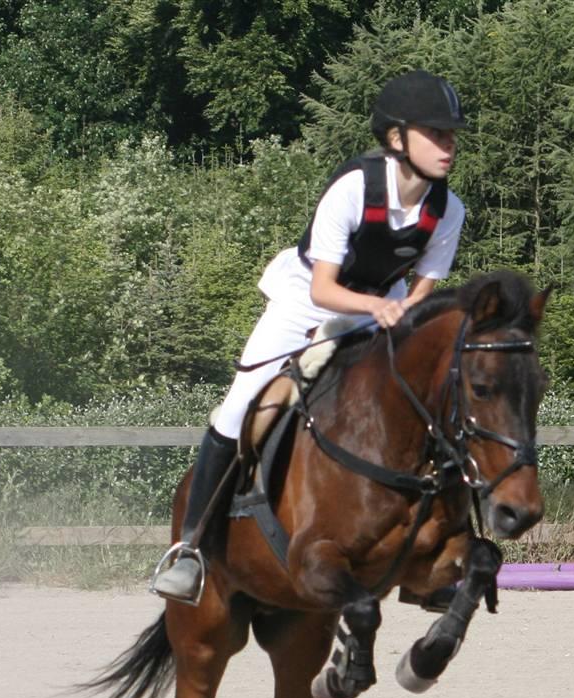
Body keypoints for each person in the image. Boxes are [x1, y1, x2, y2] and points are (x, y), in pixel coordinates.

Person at [152, 69, 469, 604]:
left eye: (451, 135)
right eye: (436, 133)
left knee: (428, 399)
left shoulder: (449, 210)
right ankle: (191, 549)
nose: (448, 145)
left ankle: (426, 558)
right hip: (306, 300)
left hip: (381, 306)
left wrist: (406, 320)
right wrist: (381, 307)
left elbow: (421, 294)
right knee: (238, 409)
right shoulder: (353, 188)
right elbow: (324, 288)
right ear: (397, 138)